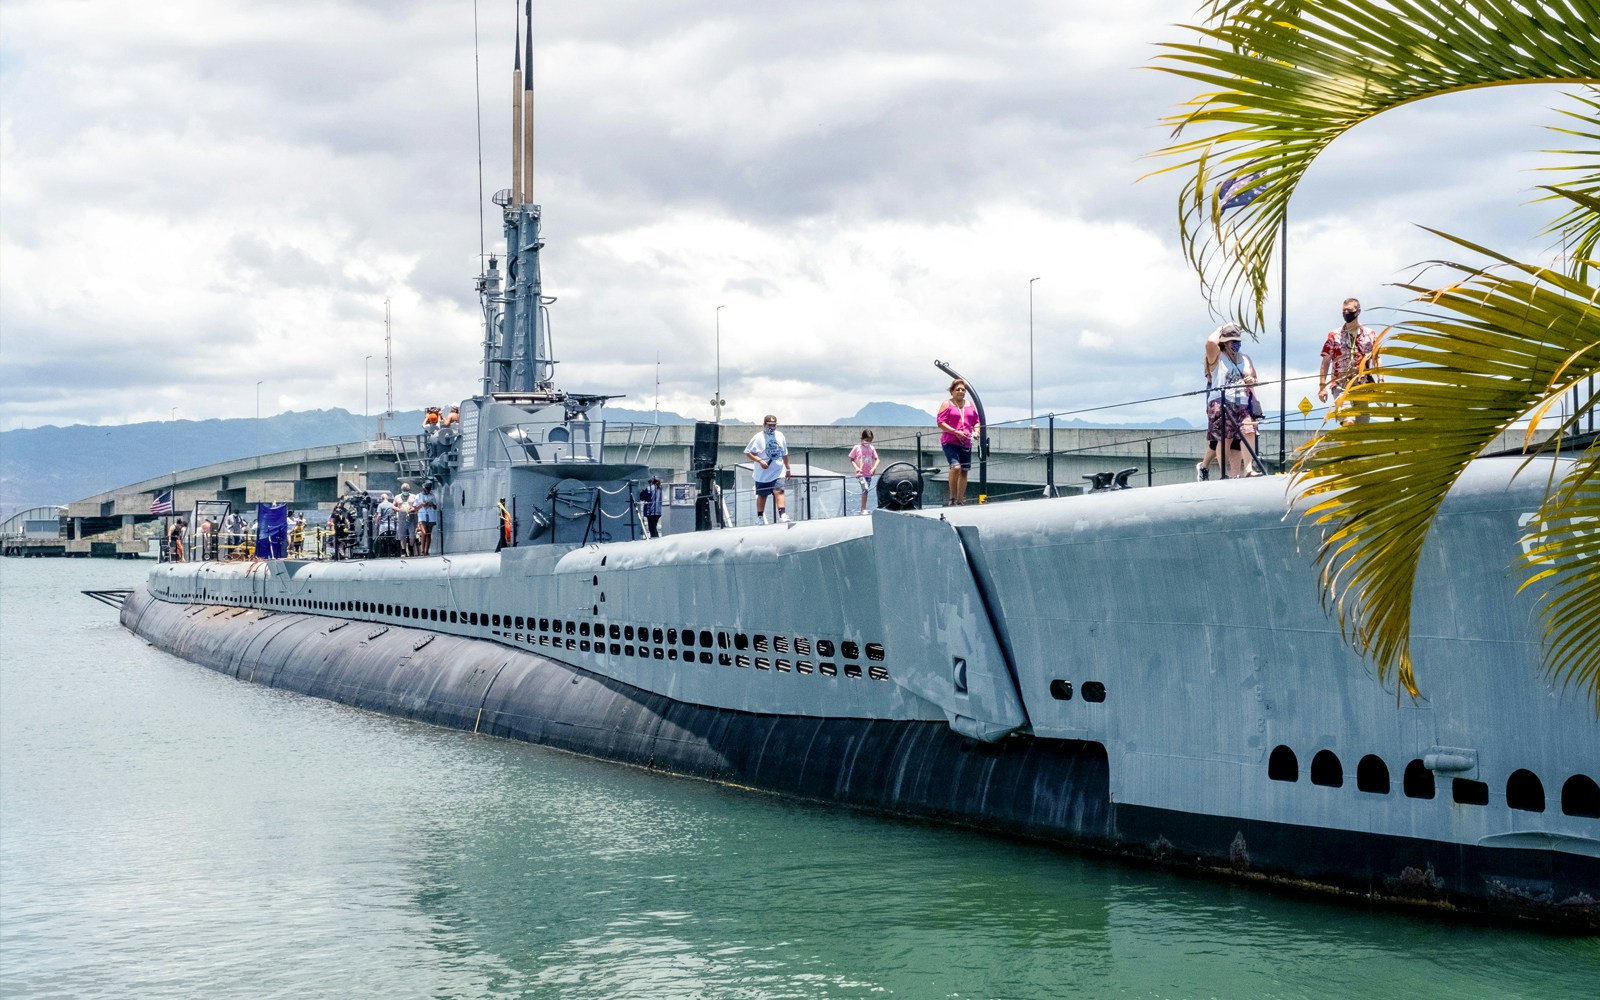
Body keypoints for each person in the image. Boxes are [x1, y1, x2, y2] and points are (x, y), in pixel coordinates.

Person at [1200, 325, 1260, 479]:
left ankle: (1248, 469)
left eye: (1237, 340)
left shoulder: (1245, 358)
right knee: (1225, 436)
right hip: (1222, 401)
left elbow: (1254, 378)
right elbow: (1210, 343)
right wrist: (1222, 328)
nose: (1236, 343)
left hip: (1242, 401)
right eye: (1232, 340)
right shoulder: (1217, 358)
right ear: (1224, 342)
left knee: (1249, 431)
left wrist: (1250, 380)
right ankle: (1223, 473)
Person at [1319, 297, 1381, 425]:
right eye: (1344, 310)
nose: (1346, 313)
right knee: (1349, 421)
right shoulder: (1334, 335)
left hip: (1362, 385)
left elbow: (1377, 358)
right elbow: (1325, 361)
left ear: (1358, 311)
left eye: (1349, 310)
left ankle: (1349, 444)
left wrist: (1381, 379)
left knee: (1361, 427)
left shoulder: (1370, 334)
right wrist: (1322, 386)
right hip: (1341, 385)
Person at [936, 379, 980, 505]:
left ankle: (960, 500)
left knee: (964, 470)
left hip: (966, 442)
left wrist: (976, 432)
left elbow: (976, 421)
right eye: (958, 389)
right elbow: (940, 422)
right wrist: (955, 432)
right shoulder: (947, 404)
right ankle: (952, 497)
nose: (960, 392)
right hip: (951, 441)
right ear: (952, 391)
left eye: (963, 390)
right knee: (956, 467)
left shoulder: (970, 405)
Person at [745, 415, 791, 523]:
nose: (772, 427)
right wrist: (760, 460)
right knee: (762, 495)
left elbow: (784, 453)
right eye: (770, 425)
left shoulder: (780, 436)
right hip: (763, 473)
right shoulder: (758, 437)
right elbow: (748, 452)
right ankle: (760, 517)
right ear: (764, 424)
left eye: (774, 425)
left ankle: (782, 514)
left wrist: (788, 469)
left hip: (777, 470)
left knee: (779, 491)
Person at [848, 429, 880, 514]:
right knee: (865, 488)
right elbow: (851, 459)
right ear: (862, 439)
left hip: (868, 474)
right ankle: (863, 509)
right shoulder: (857, 448)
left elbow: (877, 459)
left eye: (870, 441)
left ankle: (863, 508)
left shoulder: (872, 448)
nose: (868, 442)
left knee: (866, 490)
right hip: (860, 473)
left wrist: (873, 468)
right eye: (866, 440)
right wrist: (857, 468)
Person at [414, 481, 439, 555]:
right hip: (422, 516)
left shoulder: (432, 496)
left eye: (429, 488)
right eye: (427, 488)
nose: (428, 490)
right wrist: (422, 505)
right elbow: (415, 507)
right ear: (424, 488)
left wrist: (431, 504)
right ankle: (422, 550)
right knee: (424, 533)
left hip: (431, 516)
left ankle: (426, 551)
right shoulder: (418, 496)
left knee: (428, 534)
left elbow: (435, 507)